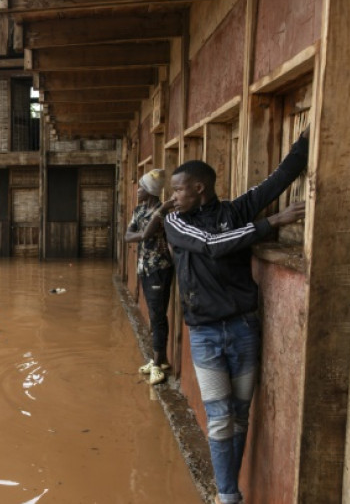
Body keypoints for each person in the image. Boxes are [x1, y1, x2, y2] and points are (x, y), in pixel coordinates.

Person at [156, 126, 310, 504]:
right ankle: (228, 496)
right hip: (205, 333)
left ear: (198, 188)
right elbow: (211, 247)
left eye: (178, 189)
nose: (172, 197)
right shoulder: (175, 221)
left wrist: (306, 142)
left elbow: (277, 181)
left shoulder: (235, 211)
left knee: (240, 415)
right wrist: (271, 223)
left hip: (244, 327)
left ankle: (231, 487)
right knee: (221, 417)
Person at [124, 169, 173, 385]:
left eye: (142, 187)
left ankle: (158, 363)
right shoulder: (140, 210)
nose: (138, 190)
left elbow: (145, 233)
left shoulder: (164, 214)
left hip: (159, 269)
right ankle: (158, 360)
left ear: (151, 191)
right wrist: (141, 235)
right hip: (144, 268)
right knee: (155, 315)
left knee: (158, 315)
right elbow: (128, 236)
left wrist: (143, 233)